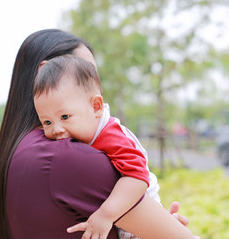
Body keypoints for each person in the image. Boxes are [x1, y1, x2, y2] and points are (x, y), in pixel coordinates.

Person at [0, 29, 197, 239]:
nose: (96, 86)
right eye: (88, 71)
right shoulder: (66, 157)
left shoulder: (19, 151)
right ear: (45, 71)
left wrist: (154, 225)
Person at [33, 54, 158, 239]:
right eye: (47, 122)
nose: (57, 129)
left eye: (65, 117)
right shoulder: (82, 131)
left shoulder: (111, 135)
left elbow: (137, 177)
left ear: (96, 107)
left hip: (141, 214)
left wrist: (105, 214)